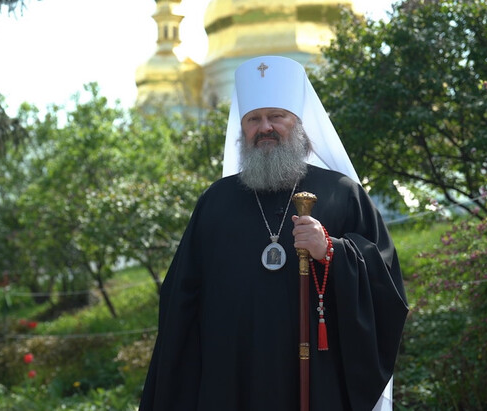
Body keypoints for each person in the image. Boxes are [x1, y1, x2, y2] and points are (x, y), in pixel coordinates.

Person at [139, 55, 408, 410]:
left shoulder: (341, 193)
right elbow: (179, 302)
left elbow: (384, 285)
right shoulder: (215, 202)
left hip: (316, 380)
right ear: (242, 128)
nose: (264, 127)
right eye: (253, 119)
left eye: (276, 116)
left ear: (298, 123)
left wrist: (333, 251)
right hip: (230, 381)